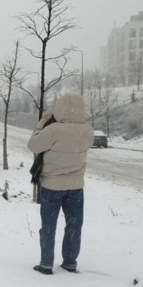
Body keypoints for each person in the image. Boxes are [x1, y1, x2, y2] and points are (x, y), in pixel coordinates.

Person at [27, 93, 94, 275]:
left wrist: (42, 123)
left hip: (52, 186)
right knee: (74, 225)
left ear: (59, 109)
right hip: (76, 185)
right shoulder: (88, 130)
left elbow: (33, 145)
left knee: (49, 225)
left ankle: (46, 264)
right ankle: (70, 262)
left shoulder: (54, 130)